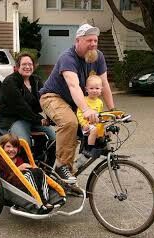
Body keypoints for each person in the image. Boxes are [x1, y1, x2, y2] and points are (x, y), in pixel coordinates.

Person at [39, 23, 115, 183]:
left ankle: (67, 178)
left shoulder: (98, 56)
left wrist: (113, 110)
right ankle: (61, 166)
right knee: (70, 123)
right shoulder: (68, 57)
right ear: (78, 41)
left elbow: (105, 83)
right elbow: (73, 85)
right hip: (52, 97)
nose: (93, 44)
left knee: (94, 131)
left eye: (95, 40)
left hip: (73, 102)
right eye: (89, 41)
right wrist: (86, 110)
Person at [0, 52, 55, 148]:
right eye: (24, 64)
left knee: (54, 137)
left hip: (31, 118)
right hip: (13, 119)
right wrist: (39, 120)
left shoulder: (36, 80)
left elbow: (45, 100)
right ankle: (23, 163)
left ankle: (45, 162)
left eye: (30, 64)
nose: (27, 67)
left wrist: (52, 117)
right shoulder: (10, 82)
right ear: (18, 66)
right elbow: (20, 107)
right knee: (24, 142)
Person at [0, 133, 52, 209]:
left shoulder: (19, 159)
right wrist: (18, 169)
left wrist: (33, 169)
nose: (11, 149)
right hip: (10, 185)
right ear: (2, 147)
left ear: (18, 149)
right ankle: (38, 201)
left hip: (24, 182)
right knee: (29, 174)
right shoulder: (0, 161)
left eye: (14, 147)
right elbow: (5, 179)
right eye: (8, 146)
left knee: (39, 171)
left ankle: (45, 199)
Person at [76, 75, 104, 158]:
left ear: (101, 89)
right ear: (86, 89)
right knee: (95, 130)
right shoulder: (84, 100)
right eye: (91, 88)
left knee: (106, 130)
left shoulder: (100, 102)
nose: (94, 91)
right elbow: (79, 114)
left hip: (94, 124)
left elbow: (100, 115)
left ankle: (100, 145)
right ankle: (89, 148)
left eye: (97, 88)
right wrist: (83, 124)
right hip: (86, 125)